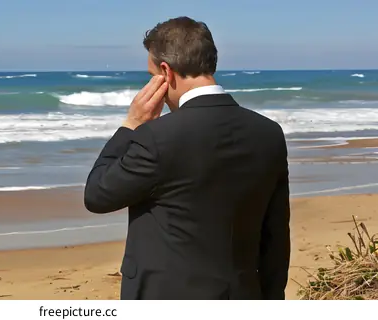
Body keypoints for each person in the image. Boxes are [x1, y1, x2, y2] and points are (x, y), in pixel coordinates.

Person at [83, 16, 291, 300]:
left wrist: (130, 126)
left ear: (166, 72)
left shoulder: (156, 138)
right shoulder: (269, 133)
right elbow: (276, 235)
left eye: (151, 75)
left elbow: (97, 195)